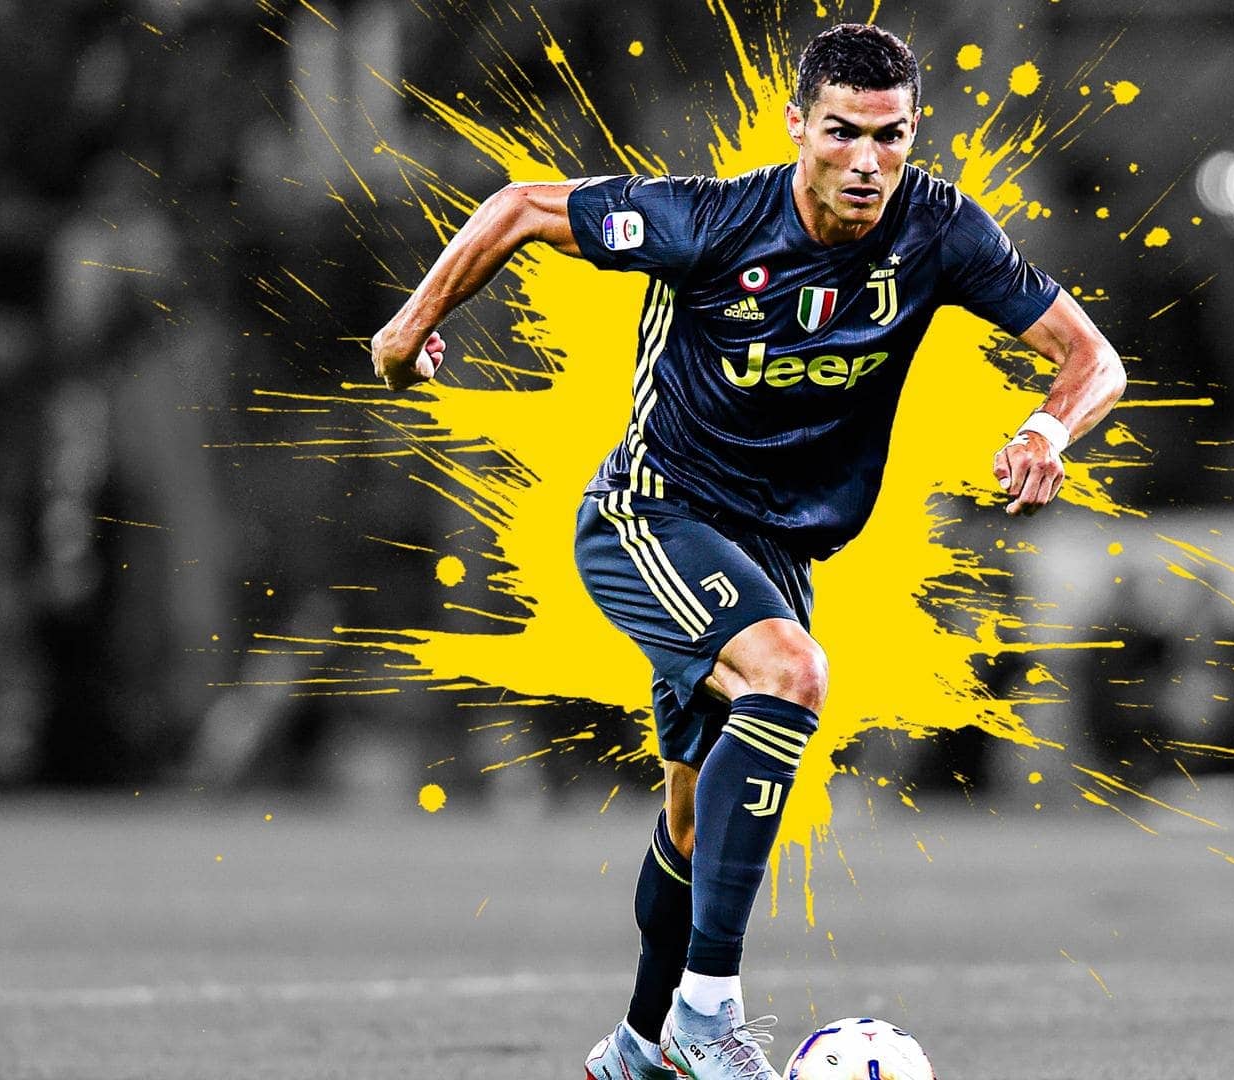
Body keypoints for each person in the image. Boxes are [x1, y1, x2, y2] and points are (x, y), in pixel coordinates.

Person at [369, 23, 1124, 1079]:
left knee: (694, 817)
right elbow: (524, 207)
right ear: (796, 126)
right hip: (652, 514)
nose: (867, 161)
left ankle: (637, 1049)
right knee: (792, 675)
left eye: (891, 136)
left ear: (914, 133)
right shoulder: (713, 221)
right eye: (843, 132)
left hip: (777, 553)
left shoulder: (940, 231)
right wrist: (406, 331)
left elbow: (1093, 359)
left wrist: (1046, 432)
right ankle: (707, 1013)